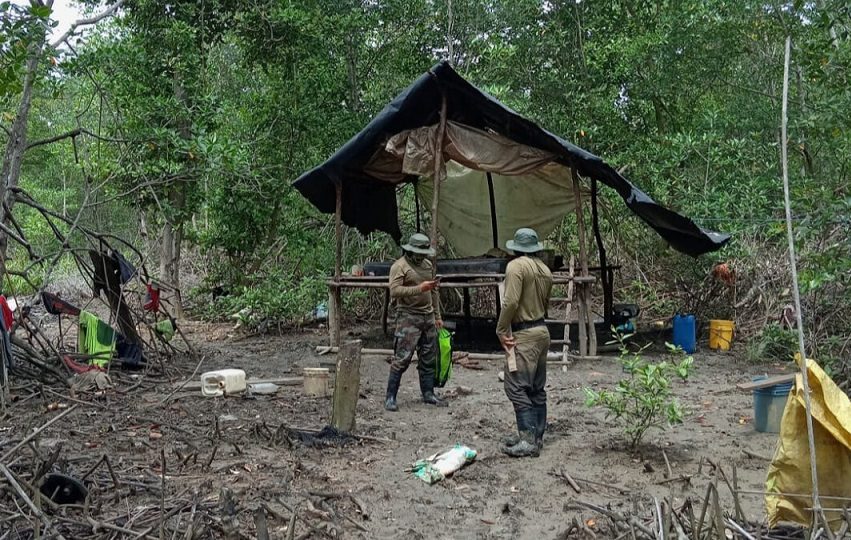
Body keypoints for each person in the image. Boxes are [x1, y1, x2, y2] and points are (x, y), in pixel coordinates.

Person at [496, 228, 553, 457]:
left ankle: (528, 441)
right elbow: (546, 302)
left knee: (516, 385)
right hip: (542, 331)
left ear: (516, 247)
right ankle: (535, 436)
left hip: (525, 333)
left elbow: (510, 301)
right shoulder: (545, 269)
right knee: (536, 387)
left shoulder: (516, 266)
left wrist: (501, 329)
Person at [385, 232, 446, 411]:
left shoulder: (428, 265)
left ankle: (428, 393)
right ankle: (390, 397)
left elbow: (434, 292)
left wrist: (438, 316)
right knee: (402, 357)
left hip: (428, 317)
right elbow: (394, 290)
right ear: (410, 252)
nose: (422, 258)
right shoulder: (400, 266)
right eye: (419, 254)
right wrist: (419, 288)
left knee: (428, 358)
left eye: (424, 254)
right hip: (408, 317)